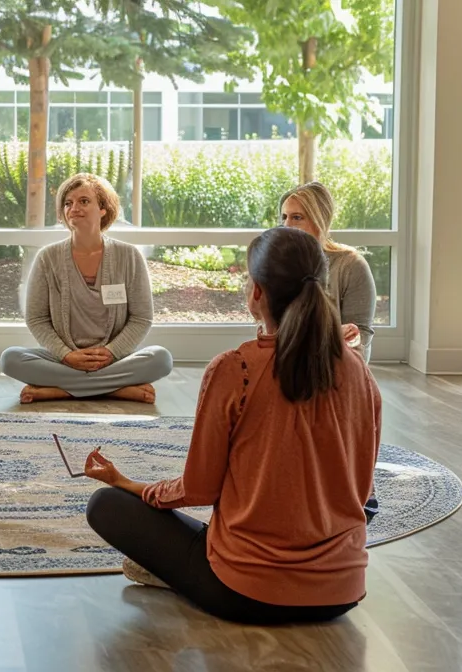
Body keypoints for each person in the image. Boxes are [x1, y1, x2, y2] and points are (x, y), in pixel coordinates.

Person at [82, 226, 380, 625]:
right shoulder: (358, 369)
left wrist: (127, 484)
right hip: (341, 592)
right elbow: (362, 491)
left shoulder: (234, 368)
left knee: (105, 506)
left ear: (256, 292)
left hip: (246, 592)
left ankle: (180, 577)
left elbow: (198, 488)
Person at [2, 173, 173, 404]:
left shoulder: (129, 256)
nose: (74, 208)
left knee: (161, 359)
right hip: (62, 358)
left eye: (84, 201)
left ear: (103, 208)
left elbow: (141, 318)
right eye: (68, 203)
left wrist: (111, 352)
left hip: (114, 358)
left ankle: (61, 390)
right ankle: (114, 389)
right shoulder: (47, 258)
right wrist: (67, 355)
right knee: (10, 359)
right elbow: (37, 319)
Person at [279, 182, 376, 361]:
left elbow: (359, 340)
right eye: (284, 217)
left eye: (297, 217)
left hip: (335, 368)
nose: (286, 225)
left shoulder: (351, 266)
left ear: (320, 220)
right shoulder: (278, 263)